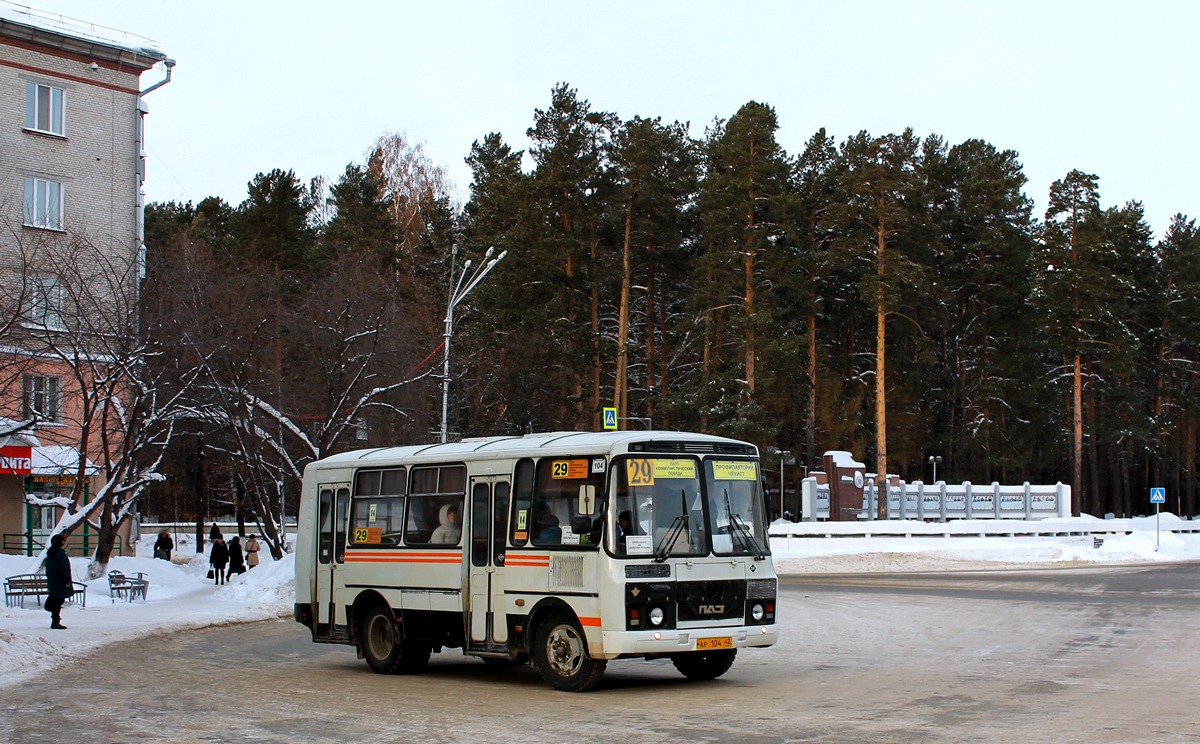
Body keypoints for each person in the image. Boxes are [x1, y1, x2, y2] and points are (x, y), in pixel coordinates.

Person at [44, 533, 72, 630]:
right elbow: (64, 568)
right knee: (58, 601)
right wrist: (67, 579)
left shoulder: (50, 554)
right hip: (60, 581)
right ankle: (55, 621)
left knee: (56, 599)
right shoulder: (60, 554)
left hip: (53, 580)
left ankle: (55, 620)